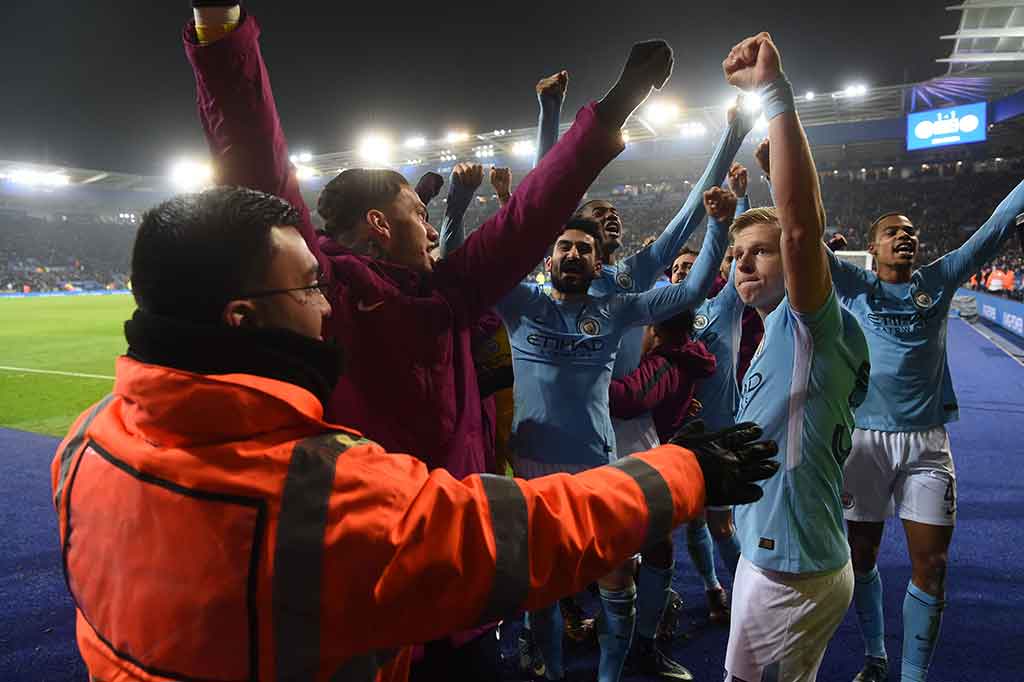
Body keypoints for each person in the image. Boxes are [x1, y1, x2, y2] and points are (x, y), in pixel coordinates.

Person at [51, 186, 781, 682]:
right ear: (242, 318)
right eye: (310, 286)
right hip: (557, 486)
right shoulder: (316, 485)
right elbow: (511, 537)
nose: (327, 307)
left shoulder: (84, 444)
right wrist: (684, 470)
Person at [496, 186, 734, 682]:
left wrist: (718, 224)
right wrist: (471, 203)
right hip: (535, 468)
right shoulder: (523, 303)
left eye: (584, 248)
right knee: (544, 589)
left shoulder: (619, 303)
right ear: (550, 256)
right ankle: (553, 668)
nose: (575, 253)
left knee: (619, 579)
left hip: (601, 463)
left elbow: (690, 291)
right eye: (565, 245)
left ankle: (624, 664)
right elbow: (477, 263)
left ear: (597, 259)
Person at [826, 188, 1024, 680]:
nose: (905, 236)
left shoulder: (938, 279)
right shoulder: (855, 284)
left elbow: (996, 226)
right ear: (872, 248)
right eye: (892, 232)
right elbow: (800, 236)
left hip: (927, 445)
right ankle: (875, 656)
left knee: (933, 565)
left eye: (911, 231)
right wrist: (771, 181)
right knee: (861, 557)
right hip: (865, 442)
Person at [721, 32, 871, 682]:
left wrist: (772, 93)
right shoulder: (775, 333)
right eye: (736, 255)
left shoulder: (807, 325)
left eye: (760, 250)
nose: (743, 263)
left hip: (793, 571)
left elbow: (802, 227)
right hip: (775, 554)